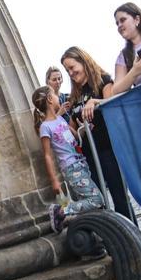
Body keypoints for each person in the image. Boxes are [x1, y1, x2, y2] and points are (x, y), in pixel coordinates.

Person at [61, 46, 131, 221]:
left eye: (72, 67)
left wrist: (95, 102)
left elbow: (112, 102)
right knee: (98, 201)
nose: (70, 73)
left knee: (119, 196)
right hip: (89, 155)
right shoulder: (74, 95)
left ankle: (133, 240)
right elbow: (74, 131)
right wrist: (56, 121)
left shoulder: (103, 81)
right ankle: (111, 241)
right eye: (67, 69)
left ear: (83, 62)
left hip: (108, 149)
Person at [32, 86, 105, 232]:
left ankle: (91, 238)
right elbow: (47, 155)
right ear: (49, 99)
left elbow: (76, 137)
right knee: (97, 201)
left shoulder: (60, 119)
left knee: (87, 205)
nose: (58, 97)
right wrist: (54, 181)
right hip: (71, 167)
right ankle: (61, 210)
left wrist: (84, 129)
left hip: (81, 163)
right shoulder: (45, 127)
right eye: (54, 94)